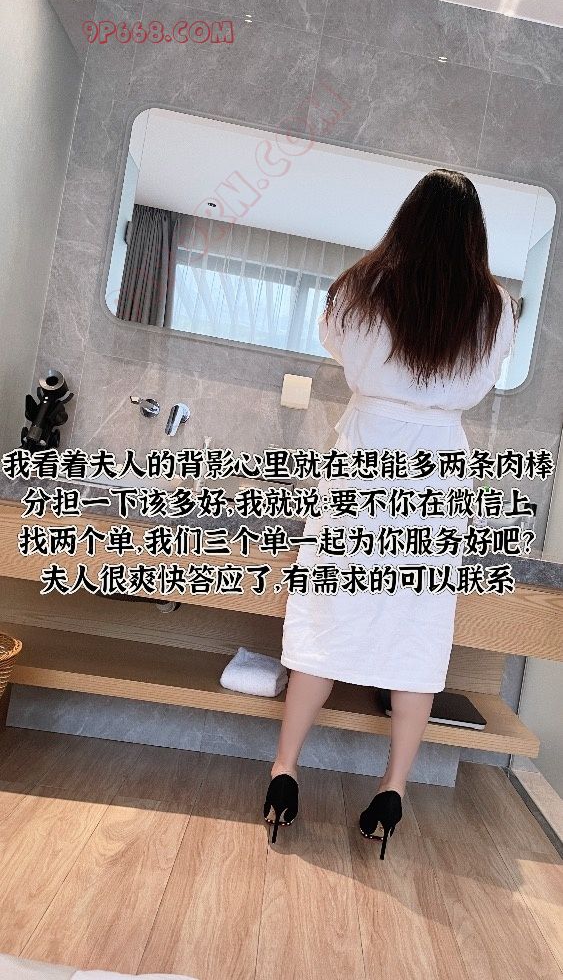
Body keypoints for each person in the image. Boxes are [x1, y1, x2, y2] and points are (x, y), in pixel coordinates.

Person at [263, 168, 518, 857]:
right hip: (436, 472)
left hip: (363, 457)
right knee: (415, 628)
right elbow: (485, 377)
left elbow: (336, 344)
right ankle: (393, 789)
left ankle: (284, 771)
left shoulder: (358, 286)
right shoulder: (494, 306)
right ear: (474, 234)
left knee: (326, 613)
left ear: (407, 218)